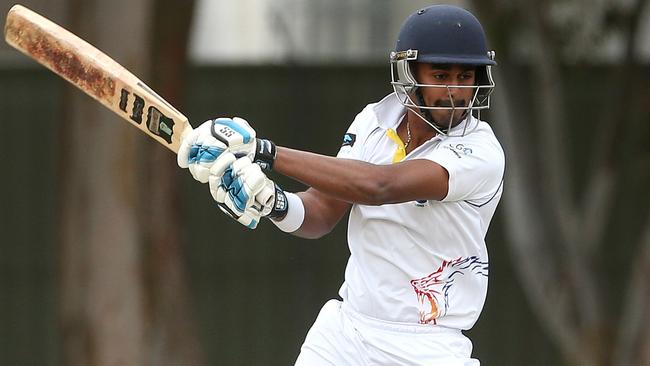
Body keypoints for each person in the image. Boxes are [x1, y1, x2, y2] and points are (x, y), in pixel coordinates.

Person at [178, 4, 504, 365]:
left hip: (427, 346)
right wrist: (272, 202)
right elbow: (322, 211)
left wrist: (261, 151)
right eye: (441, 76)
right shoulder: (373, 122)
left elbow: (379, 186)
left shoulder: (481, 151)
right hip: (346, 333)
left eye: (465, 77)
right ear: (408, 73)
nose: (456, 92)